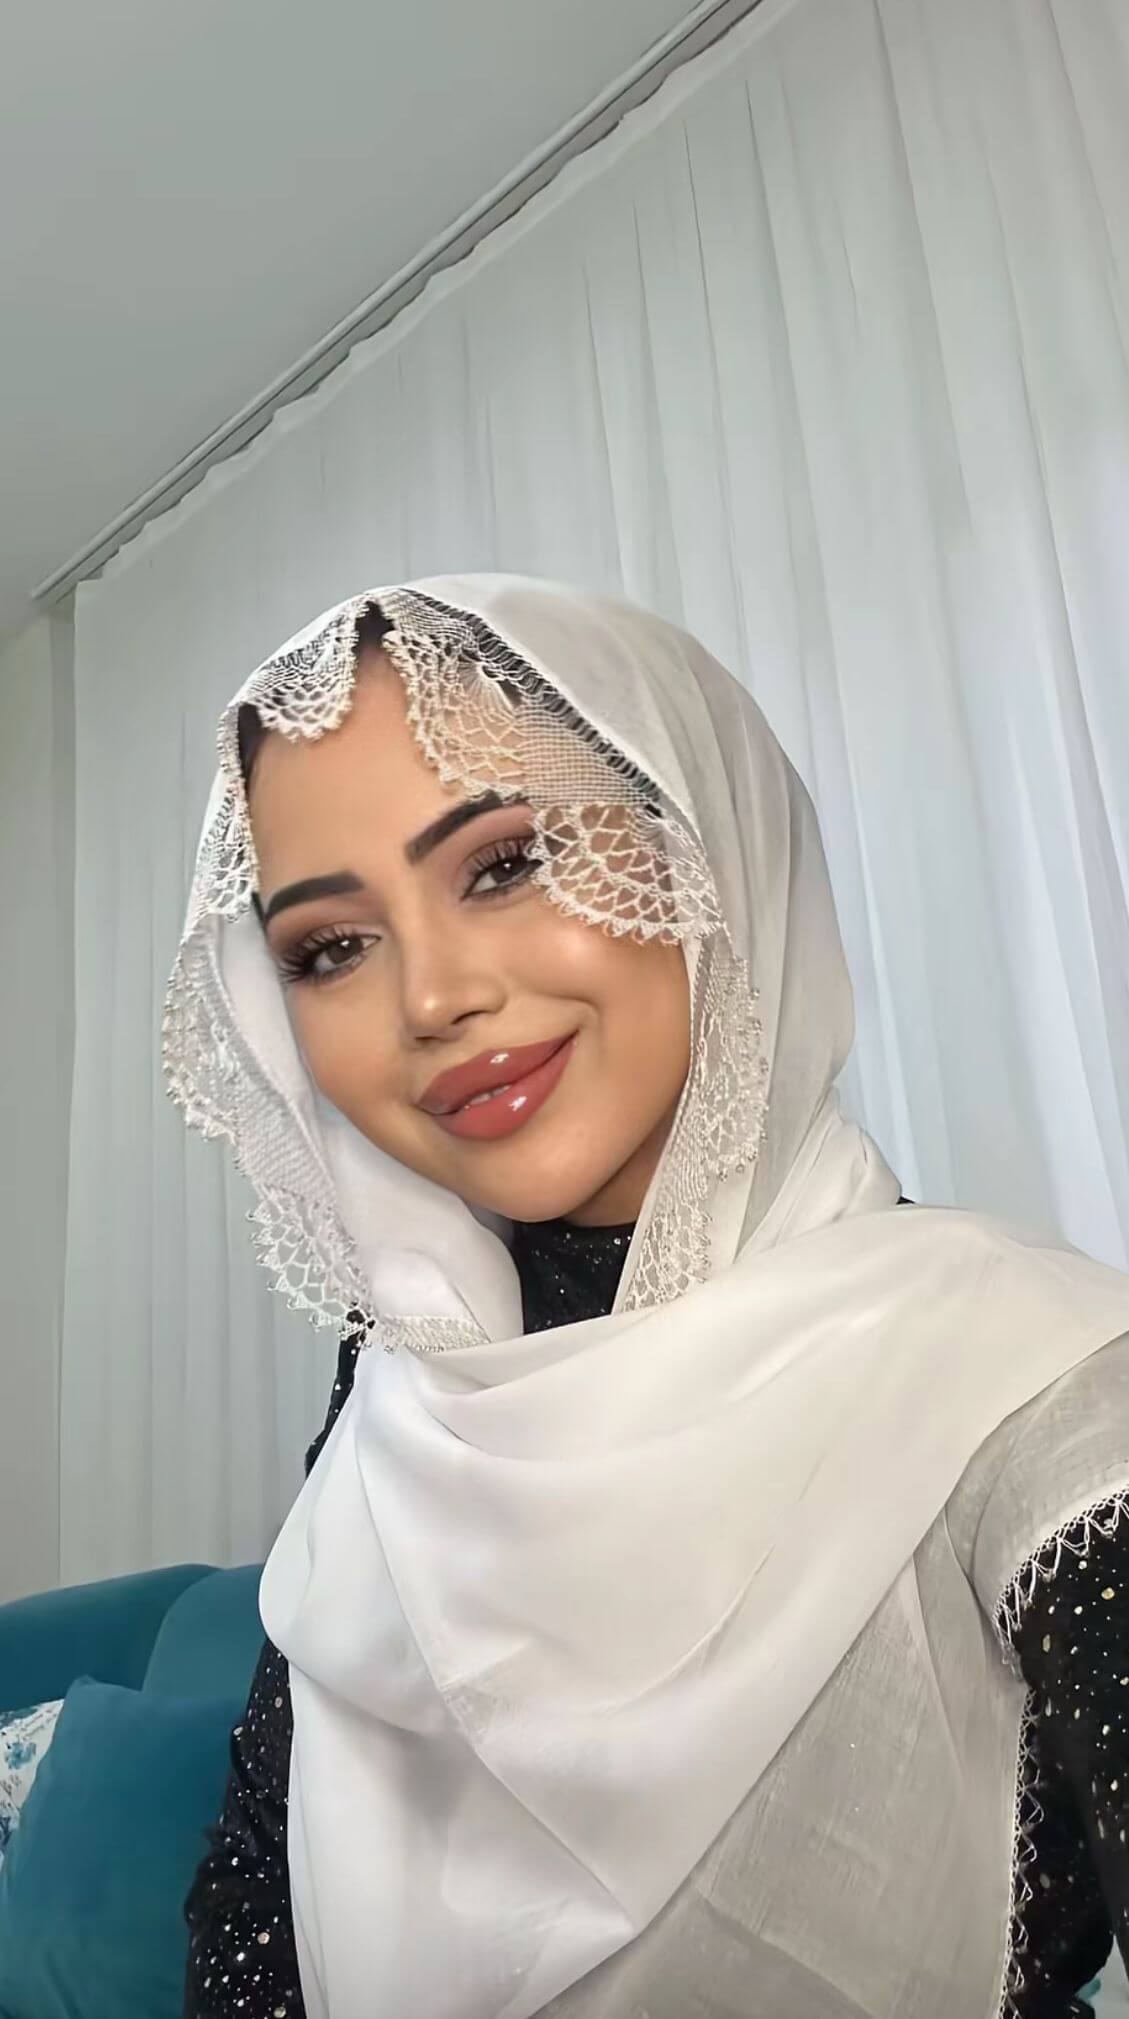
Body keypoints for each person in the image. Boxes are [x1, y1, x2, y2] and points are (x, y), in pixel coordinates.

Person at [166, 577, 1129, 2019]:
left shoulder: (1028, 1382)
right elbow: (257, 1910)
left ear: (706, 841)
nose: (430, 998)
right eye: (332, 947)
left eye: (502, 863)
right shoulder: (402, 1403)